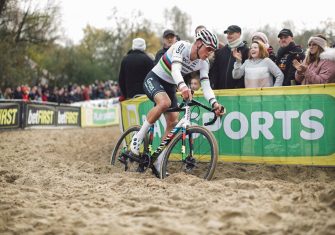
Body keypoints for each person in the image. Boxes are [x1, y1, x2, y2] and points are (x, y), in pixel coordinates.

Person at [130, 29, 225, 174]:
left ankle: (159, 159)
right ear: (199, 43)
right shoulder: (181, 46)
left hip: (170, 86)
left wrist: (214, 103)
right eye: (208, 49)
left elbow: (205, 85)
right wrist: (183, 88)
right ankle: (137, 138)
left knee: (173, 121)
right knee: (164, 103)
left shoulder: (204, 62)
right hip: (154, 78)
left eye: (212, 51)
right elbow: (175, 70)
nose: (210, 53)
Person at [209, 25, 249, 89]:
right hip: (221, 92)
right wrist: (213, 86)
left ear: (239, 34)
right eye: (227, 33)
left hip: (239, 93)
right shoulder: (220, 52)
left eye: (231, 33)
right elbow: (215, 72)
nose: (228, 36)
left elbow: (247, 73)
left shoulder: (246, 51)